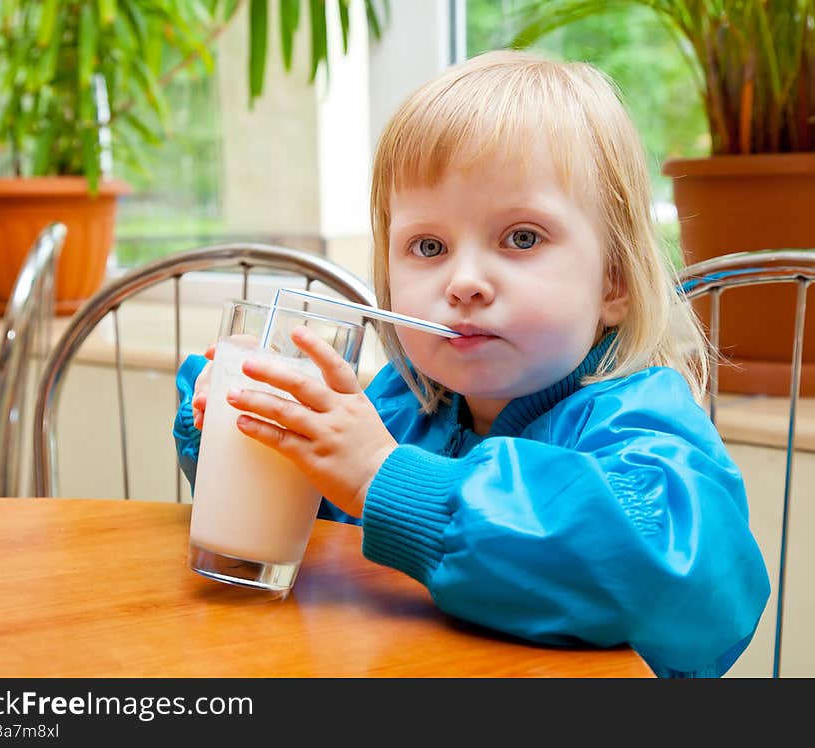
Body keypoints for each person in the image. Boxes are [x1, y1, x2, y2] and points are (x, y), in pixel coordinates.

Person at [173, 50, 770, 677]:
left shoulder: (643, 425)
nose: (463, 282)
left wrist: (385, 477)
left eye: (521, 238)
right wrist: (237, 424)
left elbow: (670, 577)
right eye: (428, 246)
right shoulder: (397, 407)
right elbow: (306, 520)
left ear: (613, 282)